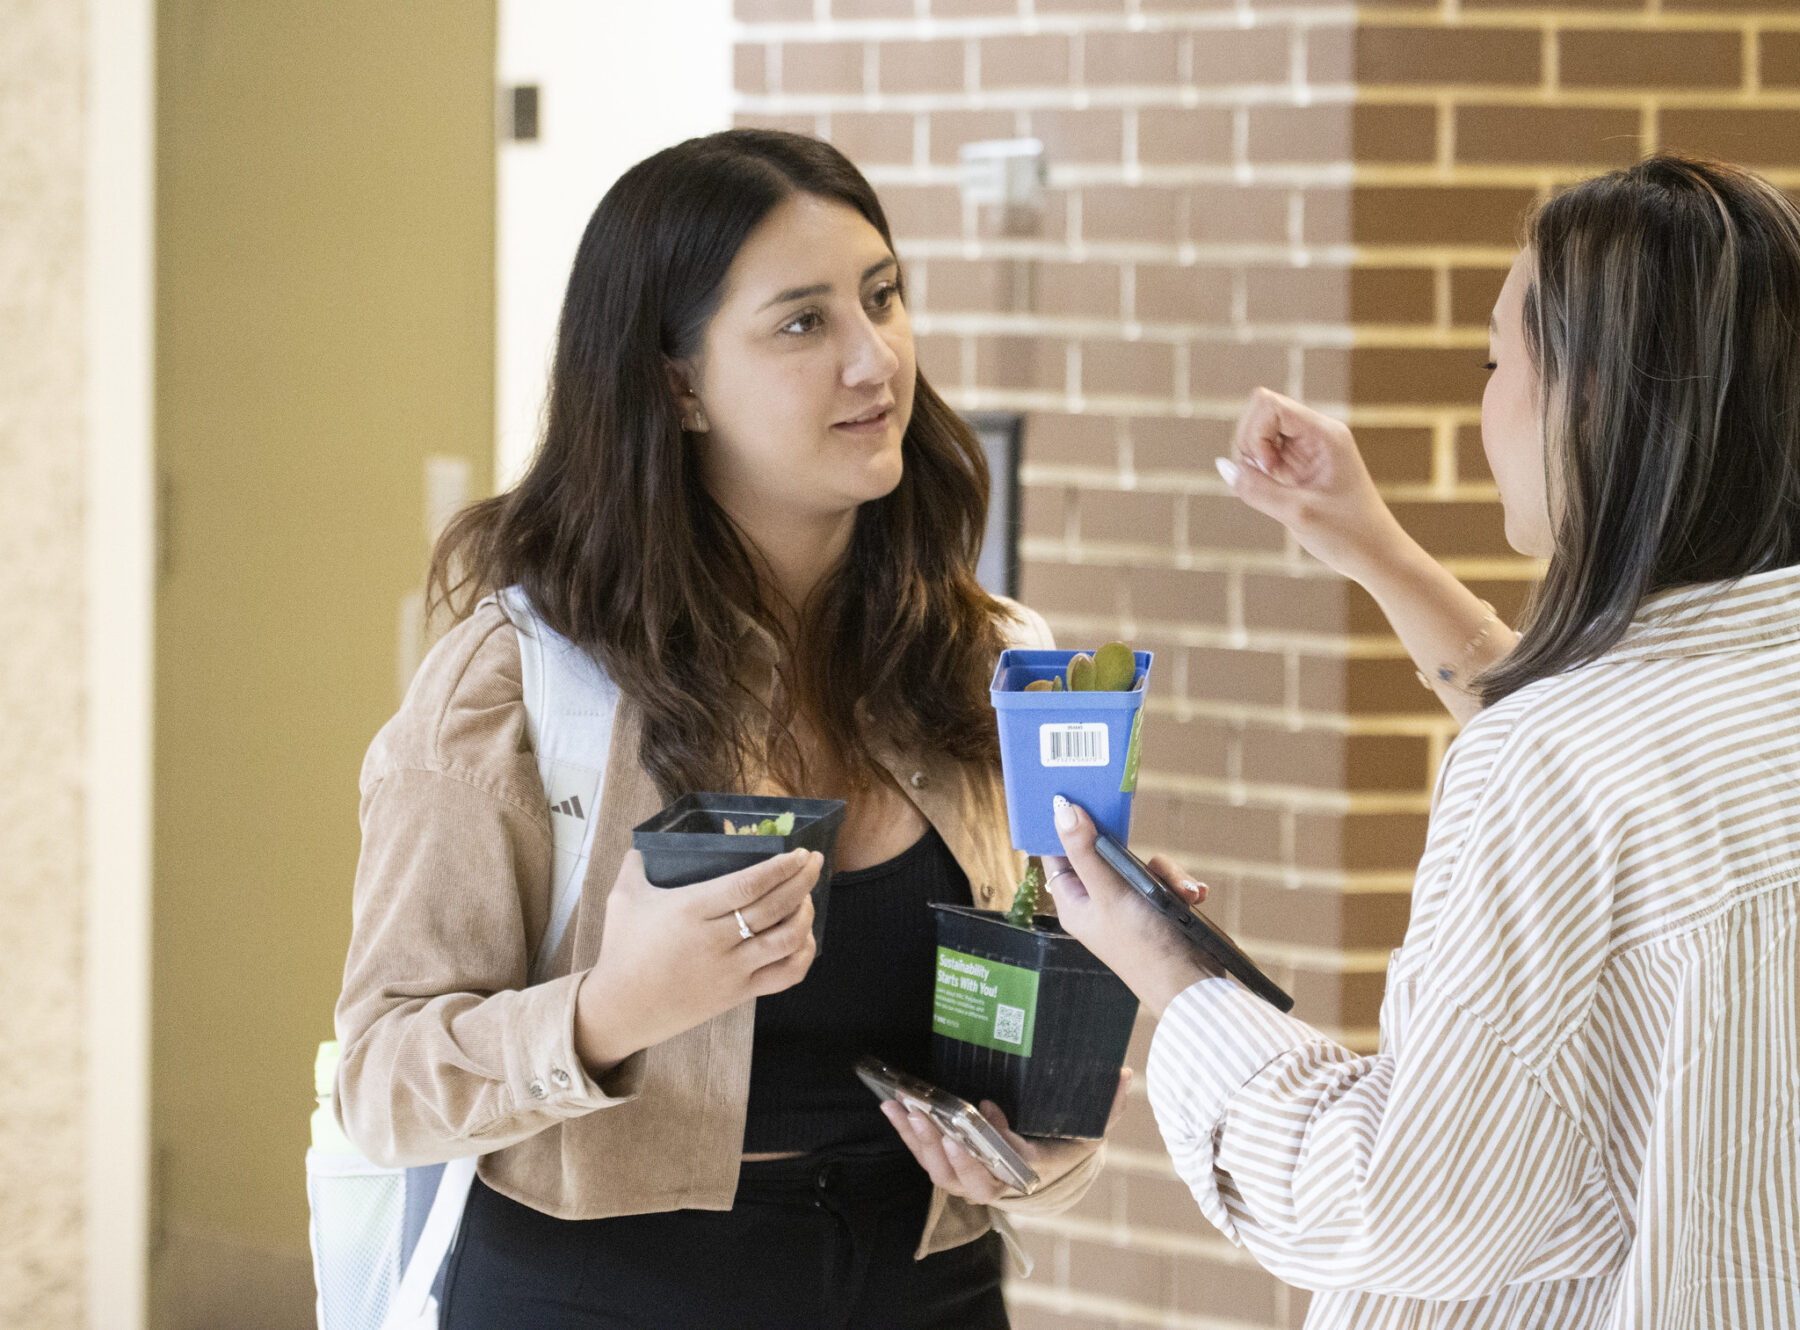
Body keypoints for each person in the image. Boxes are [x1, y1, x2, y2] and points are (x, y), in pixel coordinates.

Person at [333, 130, 1118, 1330]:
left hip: (927, 1286)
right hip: (597, 1296)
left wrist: (1042, 1123)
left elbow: (1025, 1039)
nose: (876, 360)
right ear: (678, 384)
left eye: (883, 297)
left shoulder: (993, 662)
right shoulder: (519, 680)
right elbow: (382, 1083)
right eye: (803, 323)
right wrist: (614, 1009)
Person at [1039, 154, 1800, 1327]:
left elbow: (1400, 1204)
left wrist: (1166, 968)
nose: (1481, 400)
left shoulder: (1552, 763)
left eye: (1496, 362)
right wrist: (1369, 545)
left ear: (1590, 400)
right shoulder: (1718, 708)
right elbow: (1637, 775)